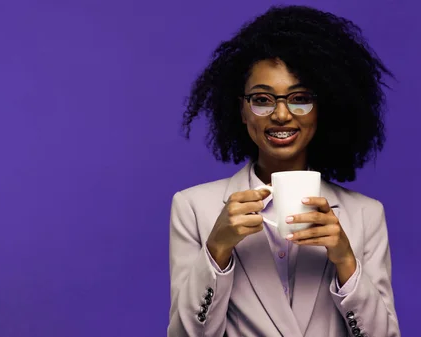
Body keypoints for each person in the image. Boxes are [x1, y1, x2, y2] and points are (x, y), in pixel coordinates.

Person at [167, 5, 400, 337]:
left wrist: (346, 262)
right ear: (242, 110)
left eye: (299, 98)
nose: (280, 114)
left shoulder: (364, 215)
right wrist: (217, 251)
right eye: (262, 99)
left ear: (324, 108)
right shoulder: (194, 209)